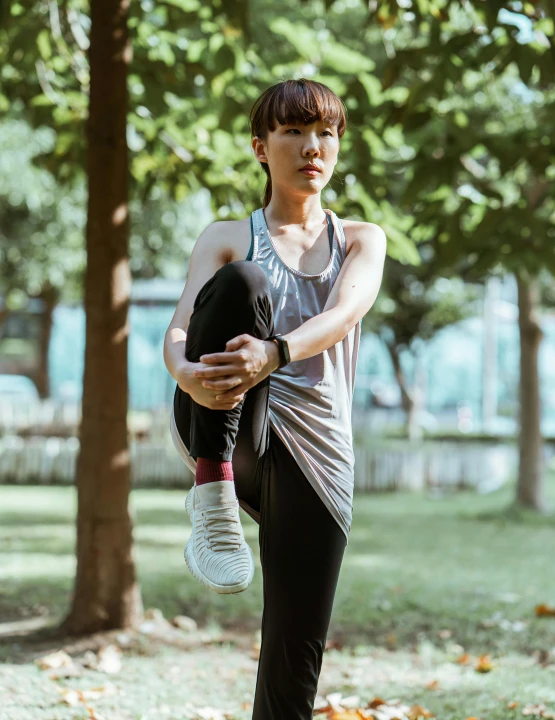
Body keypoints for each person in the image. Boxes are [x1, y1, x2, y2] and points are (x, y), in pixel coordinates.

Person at [163, 78, 387, 720]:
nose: (312, 147)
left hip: (319, 451)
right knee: (244, 280)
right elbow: (180, 328)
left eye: (325, 133)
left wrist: (276, 352)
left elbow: (346, 311)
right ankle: (211, 494)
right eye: (292, 132)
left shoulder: (361, 239)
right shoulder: (229, 236)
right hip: (229, 426)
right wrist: (183, 371)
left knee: (294, 659)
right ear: (261, 148)